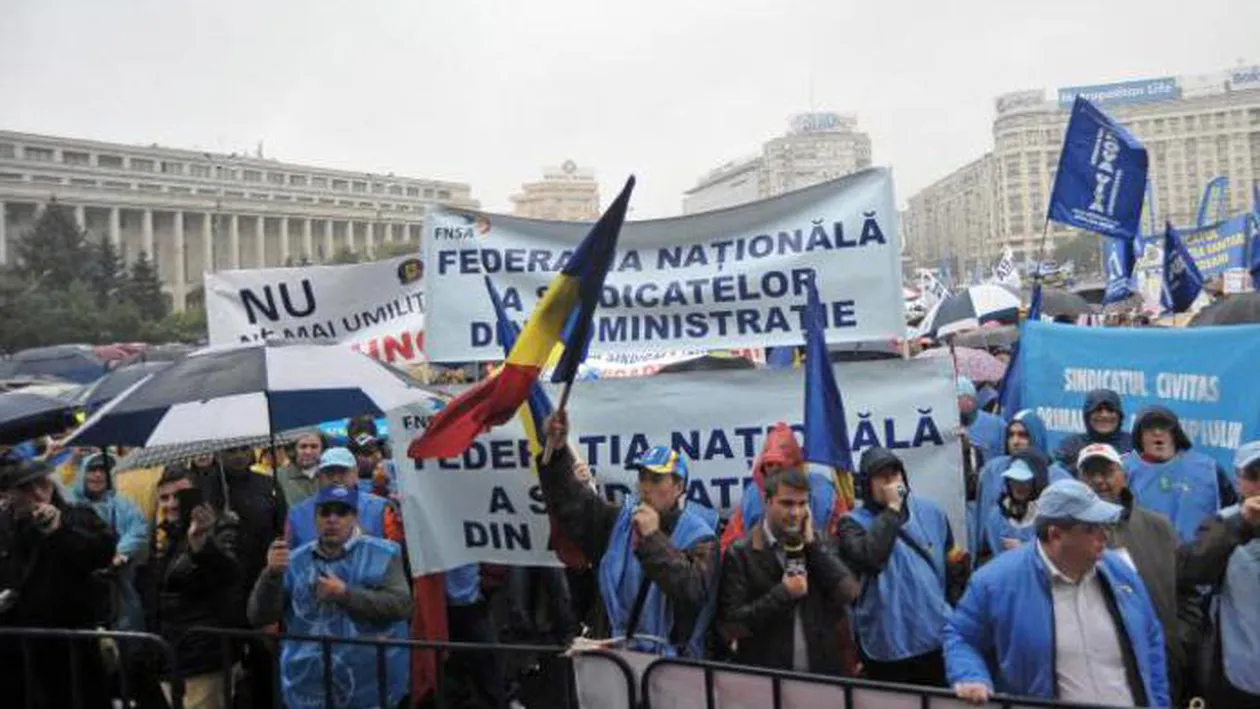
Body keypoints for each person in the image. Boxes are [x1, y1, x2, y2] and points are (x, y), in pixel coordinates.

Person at [944, 479, 1169, 706]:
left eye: (1103, 526)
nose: (1104, 536)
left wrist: (1159, 703)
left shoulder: (1119, 571)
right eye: (1091, 529)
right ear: (1056, 535)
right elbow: (961, 636)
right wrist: (970, 676)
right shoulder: (996, 582)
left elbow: (1150, 638)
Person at [539, 409, 719, 658]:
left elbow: (692, 591)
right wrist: (557, 452)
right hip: (615, 659)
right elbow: (571, 505)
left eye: (656, 479)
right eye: (643, 477)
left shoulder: (700, 537)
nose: (646, 487)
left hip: (672, 666)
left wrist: (653, 538)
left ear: (678, 487)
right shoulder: (618, 522)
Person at [249, 484, 412, 709]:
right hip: (309, 689)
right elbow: (260, 616)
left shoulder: (384, 553)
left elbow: (402, 605)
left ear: (354, 516)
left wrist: (346, 595)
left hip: (372, 688)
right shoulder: (293, 561)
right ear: (315, 518)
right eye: (325, 512)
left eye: (341, 512)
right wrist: (271, 575)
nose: (332, 519)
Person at [1077, 442, 1201, 706]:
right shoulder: (1070, 535)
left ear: (1124, 475)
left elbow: (1188, 591)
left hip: (1162, 667)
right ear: (1079, 480)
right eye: (1090, 473)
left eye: (1107, 471)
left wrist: (1177, 640)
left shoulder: (1159, 527)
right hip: (1099, 674)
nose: (1099, 481)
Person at [835, 446, 966, 686]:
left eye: (895, 475)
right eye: (882, 477)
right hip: (887, 647)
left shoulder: (932, 512)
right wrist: (893, 509)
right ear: (866, 484)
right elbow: (871, 558)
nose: (891, 482)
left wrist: (950, 612)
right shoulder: (850, 524)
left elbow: (954, 567)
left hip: (935, 639)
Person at [718, 467, 860, 674]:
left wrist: (812, 546)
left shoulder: (818, 543)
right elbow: (731, 626)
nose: (795, 513)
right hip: (768, 681)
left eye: (802, 504)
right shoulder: (741, 553)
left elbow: (849, 593)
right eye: (787, 503)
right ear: (767, 502)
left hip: (823, 676)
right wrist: (782, 594)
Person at [0, 457, 116, 709]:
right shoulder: (5, 527)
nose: (37, 494)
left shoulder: (77, 516)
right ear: (10, 494)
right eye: (25, 488)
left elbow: (101, 552)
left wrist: (60, 531)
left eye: (42, 484)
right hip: (17, 648)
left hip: (70, 645)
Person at [142, 465, 241, 709]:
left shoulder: (222, 526)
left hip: (204, 657)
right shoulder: (165, 537)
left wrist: (202, 544)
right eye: (164, 497)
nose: (171, 503)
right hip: (169, 656)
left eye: (180, 495)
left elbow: (229, 575)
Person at [1180, 440, 1260, 708]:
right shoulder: (1223, 522)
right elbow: (1191, 571)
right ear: (1239, 481)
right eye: (1255, 475)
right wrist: (1243, 524)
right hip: (1237, 675)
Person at [719, 422, 846, 554]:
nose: (774, 470)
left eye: (779, 464)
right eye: (769, 464)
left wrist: (814, 546)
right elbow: (728, 548)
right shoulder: (752, 497)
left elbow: (842, 545)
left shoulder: (824, 494)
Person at [1123, 406, 1238, 542]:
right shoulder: (1125, 470)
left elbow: (1233, 513)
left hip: (1201, 558)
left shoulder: (1209, 468)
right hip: (1148, 558)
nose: (1158, 432)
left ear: (1175, 433)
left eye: (1164, 426)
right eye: (1149, 428)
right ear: (1139, 437)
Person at [68, 451, 149, 632]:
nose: (98, 475)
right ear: (82, 473)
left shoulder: (123, 504)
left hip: (119, 584)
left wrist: (121, 552)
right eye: (93, 469)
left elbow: (138, 529)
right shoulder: (70, 505)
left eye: (104, 470)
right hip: (81, 585)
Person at [971, 410, 1061, 552]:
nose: (1015, 441)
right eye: (1011, 435)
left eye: (1023, 435)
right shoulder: (992, 470)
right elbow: (981, 525)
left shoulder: (1059, 478)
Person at [286, 447, 402, 549]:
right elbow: (290, 562)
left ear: (356, 474)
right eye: (329, 473)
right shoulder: (297, 514)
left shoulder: (380, 508)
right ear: (319, 476)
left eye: (342, 472)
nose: (336, 479)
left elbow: (396, 555)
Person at [977, 457, 1044, 565]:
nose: (1019, 487)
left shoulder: (1043, 514)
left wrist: (1023, 548)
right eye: (1014, 481)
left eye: (1025, 482)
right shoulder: (996, 516)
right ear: (1008, 483)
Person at [1053, 388, 1135, 470]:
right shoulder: (1071, 446)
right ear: (1087, 415)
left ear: (1119, 415)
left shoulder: (1134, 444)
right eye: (1098, 409)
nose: (1104, 415)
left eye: (1110, 410)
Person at [957, 377, 1005, 466]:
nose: (955, 404)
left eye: (957, 398)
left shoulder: (997, 424)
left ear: (970, 399)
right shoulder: (943, 427)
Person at [347, 416, 396, 498]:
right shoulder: (347, 459)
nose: (369, 458)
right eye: (362, 452)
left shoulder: (387, 457)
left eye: (371, 451)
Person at [275, 431, 324, 506]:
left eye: (314, 447)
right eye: (303, 447)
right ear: (293, 450)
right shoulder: (279, 475)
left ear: (322, 449)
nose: (308, 452)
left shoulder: (329, 473)